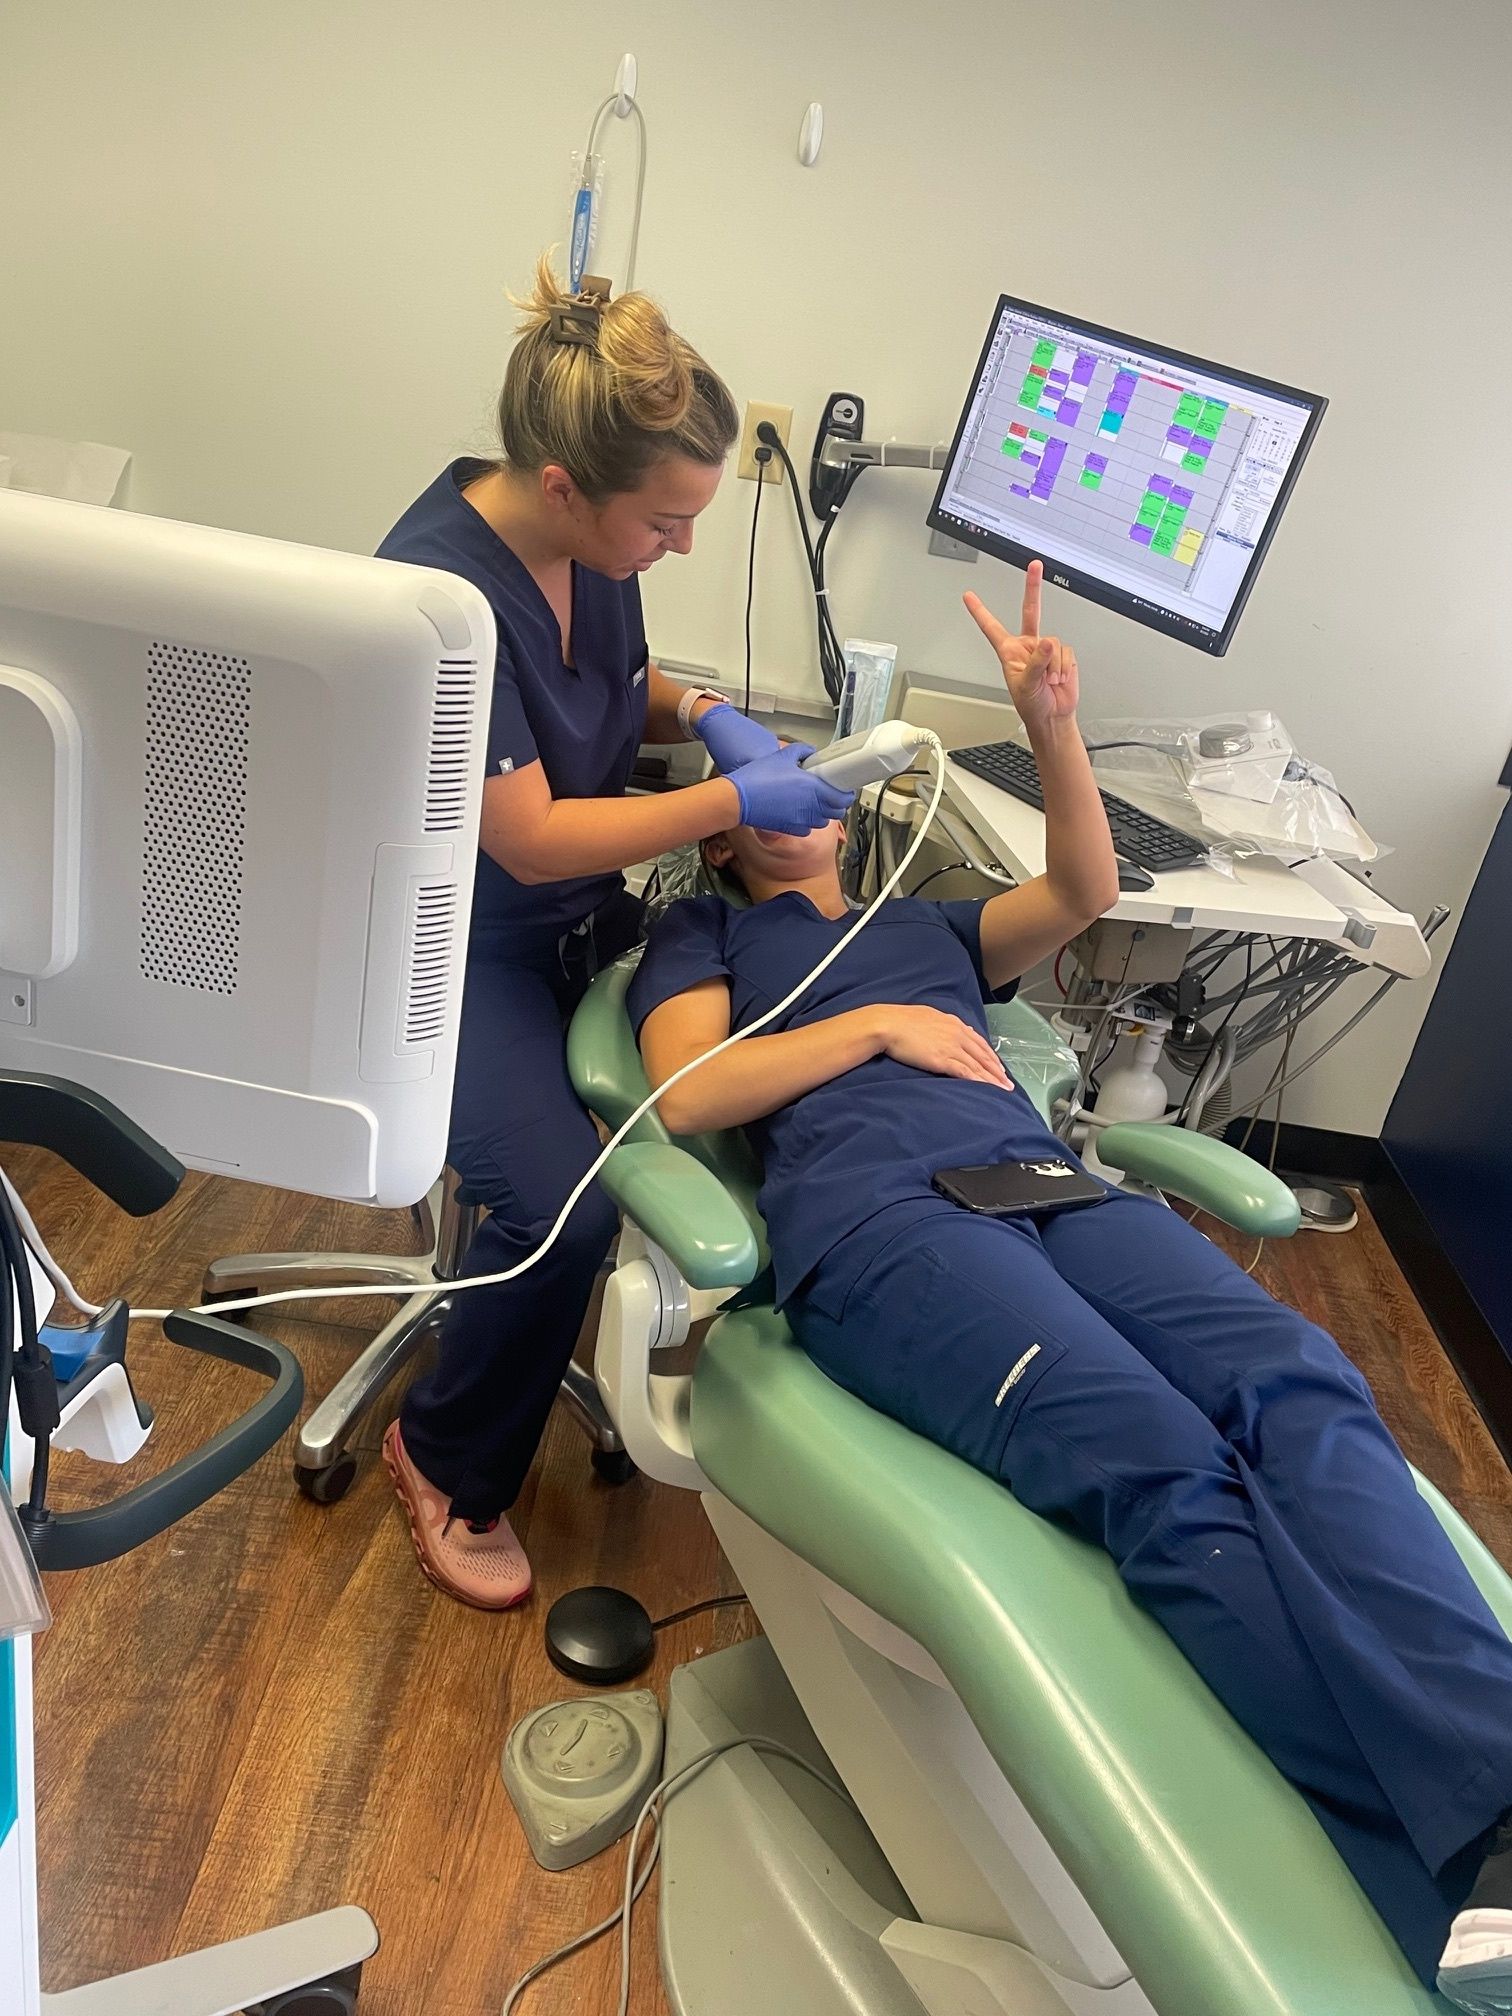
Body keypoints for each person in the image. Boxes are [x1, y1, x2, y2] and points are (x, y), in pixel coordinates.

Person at [628, 561, 1512, 2010]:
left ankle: (1501, 1806)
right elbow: (689, 1093)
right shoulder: (709, 932)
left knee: (1303, 1387)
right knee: (1164, 1467)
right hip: (888, 1231)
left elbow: (1089, 891)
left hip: (1050, 1188)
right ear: (734, 829)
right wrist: (880, 1043)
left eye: (817, 777)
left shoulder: (930, 925)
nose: (810, 796)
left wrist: (1052, 722)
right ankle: (1443, 1878)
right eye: (778, 783)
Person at [373, 258, 852, 1609]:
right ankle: (445, 1457)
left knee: (786, 1092)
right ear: (569, 486)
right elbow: (523, 835)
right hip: (458, 951)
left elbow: (619, 684)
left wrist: (703, 712)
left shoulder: (590, 541)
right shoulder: (437, 595)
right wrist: (732, 794)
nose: (682, 547)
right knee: (554, 1211)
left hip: (577, 922)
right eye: (669, 524)